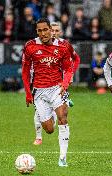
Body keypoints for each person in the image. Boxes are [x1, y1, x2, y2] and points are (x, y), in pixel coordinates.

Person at [22, 18, 74, 167]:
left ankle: (63, 158)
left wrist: (65, 83)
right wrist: (27, 93)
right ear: (37, 32)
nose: (43, 33)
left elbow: (68, 68)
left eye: (46, 30)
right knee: (49, 129)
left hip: (57, 89)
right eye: (40, 30)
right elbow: (25, 72)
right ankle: (52, 112)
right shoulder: (30, 47)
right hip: (39, 92)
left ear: (51, 30)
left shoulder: (63, 47)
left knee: (63, 118)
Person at [33, 21, 80, 146]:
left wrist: (71, 75)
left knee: (62, 114)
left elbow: (76, 59)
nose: (53, 33)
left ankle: (61, 107)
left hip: (60, 82)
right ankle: (39, 136)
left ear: (60, 32)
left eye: (56, 31)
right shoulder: (40, 46)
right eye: (52, 30)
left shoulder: (65, 45)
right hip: (43, 86)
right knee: (39, 112)